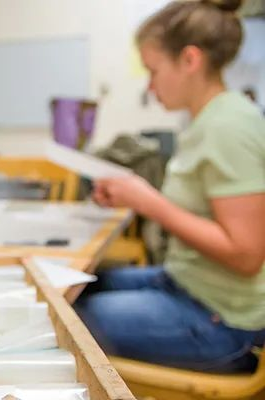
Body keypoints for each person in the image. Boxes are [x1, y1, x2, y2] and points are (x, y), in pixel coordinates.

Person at [76, 0, 265, 373]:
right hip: (185, 281)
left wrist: (149, 202)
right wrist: (133, 196)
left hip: (222, 319)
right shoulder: (206, 120)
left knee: (67, 315)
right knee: (80, 284)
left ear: (190, 60)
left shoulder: (229, 126)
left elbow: (246, 255)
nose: (150, 85)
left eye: (153, 71)